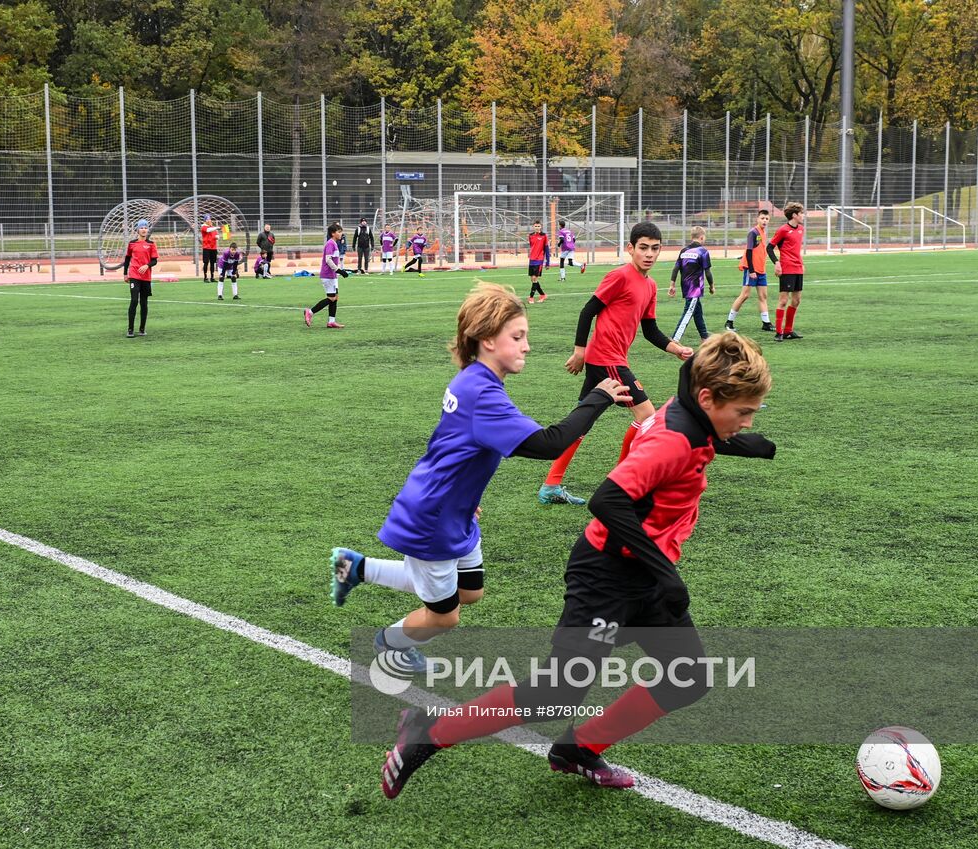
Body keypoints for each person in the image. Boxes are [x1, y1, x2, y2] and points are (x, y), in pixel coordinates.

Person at [379, 332, 775, 800]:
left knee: (687, 677)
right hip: (606, 576)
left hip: (643, 575)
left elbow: (697, 427)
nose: (746, 420)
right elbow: (608, 500)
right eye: (743, 413)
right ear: (707, 398)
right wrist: (667, 575)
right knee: (553, 695)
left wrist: (749, 443)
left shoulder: (692, 413)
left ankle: (578, 748)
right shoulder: (673, 439)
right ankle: (429, 731)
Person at [330, 282, 631, 673]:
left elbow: (454, 447)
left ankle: (355, 567)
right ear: (488, 340)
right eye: (518, 336)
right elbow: (548, 444)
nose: (526, 346)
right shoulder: (481, 393)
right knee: (444, 616)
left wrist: (464, 498)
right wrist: (598, 397)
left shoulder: (476, 379)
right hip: (433, 517)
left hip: (453, 508)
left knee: (470, 591)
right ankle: (389, 644)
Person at [538, 222, 693, 506]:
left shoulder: (650, 286)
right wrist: (579, 352)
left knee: (581, 423)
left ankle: (551, 486)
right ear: (630, 249)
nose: (649, 254)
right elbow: (588, 312)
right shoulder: (620, 276)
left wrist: (677, 350)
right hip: (606, 360)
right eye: (643, 248)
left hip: (610, 359)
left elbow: (650, 331)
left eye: (654, 249)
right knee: (648, 416)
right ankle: (622, 484)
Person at [726, 209, 775, 333]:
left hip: (761, 270)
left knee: (763, 296)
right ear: (757, 219)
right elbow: (748, 252)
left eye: (767, 219)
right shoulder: (753, 233)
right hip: (751, 269)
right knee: (745, 295)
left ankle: (766, 323)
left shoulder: (763, 233)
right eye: (762, 218)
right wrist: (751, 270)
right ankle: (729, 322)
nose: (764, 221)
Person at [669, 226, 715, 342]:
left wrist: (672, 284)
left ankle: (704, 336)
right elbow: (707, 272)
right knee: (688, 312)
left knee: (697, 311)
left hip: (685, 286)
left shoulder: (684, 251)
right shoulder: (703, 252)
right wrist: (712, 286)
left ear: (691, 237)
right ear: (702, 237)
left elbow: (676, 268)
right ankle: (675, 338)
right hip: (695, 288)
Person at [767, 202, 806, 341]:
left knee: (796, 300)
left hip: (798, 268)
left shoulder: (801, 229)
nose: (803, 215)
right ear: (794, 215)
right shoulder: (783, 230)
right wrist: (777, 263)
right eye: (801, 213)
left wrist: (801, 264)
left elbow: (795, 250)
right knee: (783, 300)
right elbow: (769, 248)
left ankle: (788, 331)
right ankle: (779, 332)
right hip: (787, 268)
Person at [303, 223, 348, 329]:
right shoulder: (330, 244)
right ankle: (310, 312)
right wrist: (339, 270)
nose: (341, 233)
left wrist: (339, 271)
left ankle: (331, 321)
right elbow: (328, 260)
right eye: (339, 231)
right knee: (331, 298)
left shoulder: (335, 243)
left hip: (332, 275)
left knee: (335, 297)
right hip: (328, 275)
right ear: (333, 233)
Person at [122, 218, 159, 338]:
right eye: (141, 227)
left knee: (144, 303)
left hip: (146, 277)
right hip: (134, 275)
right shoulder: (132, 243)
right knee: (134, 300)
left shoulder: (151, 244)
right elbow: (127, 258)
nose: (144, 229)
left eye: (145, 227)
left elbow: (154, 261)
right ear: (137, 230)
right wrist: (125, 273)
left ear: (148, 230)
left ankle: (142, 329)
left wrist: (147, 265)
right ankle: (130, 329)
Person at [527, 221, 549, 303]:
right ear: (533, 227)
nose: (537, 227)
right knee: (532, 280)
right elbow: (532, 246)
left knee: (534, 278)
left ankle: (531, 297)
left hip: (539, 260)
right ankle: (543, 295)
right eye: (535, 226)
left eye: (538, 226)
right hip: (532, 260)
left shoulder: (544, 236)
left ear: (541, 227)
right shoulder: (530, 236)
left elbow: (547, 249)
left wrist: (547, 262)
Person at [200, 214, 220, 284]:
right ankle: (205, 277)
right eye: (207, 219)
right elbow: (208, 230)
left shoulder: (213, 228)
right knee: (206, 262)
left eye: (210, 219)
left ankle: (212, 277)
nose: (209, 220)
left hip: (213, 247)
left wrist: (217, 237)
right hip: (206, 248)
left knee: (213, 263)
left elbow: (217, 236)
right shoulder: (203, 227)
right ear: (205, 220)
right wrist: (217, 227)